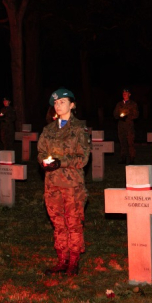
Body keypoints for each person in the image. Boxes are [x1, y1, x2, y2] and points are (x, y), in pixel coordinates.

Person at [37, 88, 90, 276]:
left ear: (72, 105)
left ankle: (74, 261)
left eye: (62, 102)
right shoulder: (48, 129)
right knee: (58, 223)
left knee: (73, 223)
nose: (58, 106)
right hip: (52, 184)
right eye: (56, 103)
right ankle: (62, 259)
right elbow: (41, 152)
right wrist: (44, 162)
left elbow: (83, 158)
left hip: (72, 185)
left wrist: (62, 162)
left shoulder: (79, 129)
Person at [113, 88, 139, 164]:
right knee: (122, 142)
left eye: (126, 93)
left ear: (129, 94)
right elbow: (115, 114)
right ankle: (123, 158)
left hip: (129, 126)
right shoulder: (119, 104)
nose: (124, 94)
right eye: (123, 93)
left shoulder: (133, 104)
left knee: (130, 143)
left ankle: (132, 159)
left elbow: (136, 114)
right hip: (121, 126)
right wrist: (119, 116)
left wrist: (127, 116)